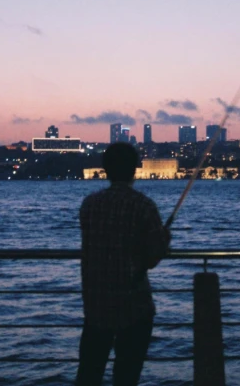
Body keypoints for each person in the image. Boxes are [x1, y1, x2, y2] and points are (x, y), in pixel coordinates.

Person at [76, 142, 171, 386]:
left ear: (105, 169)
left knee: (89, 373)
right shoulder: (144, 206)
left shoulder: (89, 205)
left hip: (96, 305)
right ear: (135, 169)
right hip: (133, 306)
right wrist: (163, 240)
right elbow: (151, 259)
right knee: (126, 376)